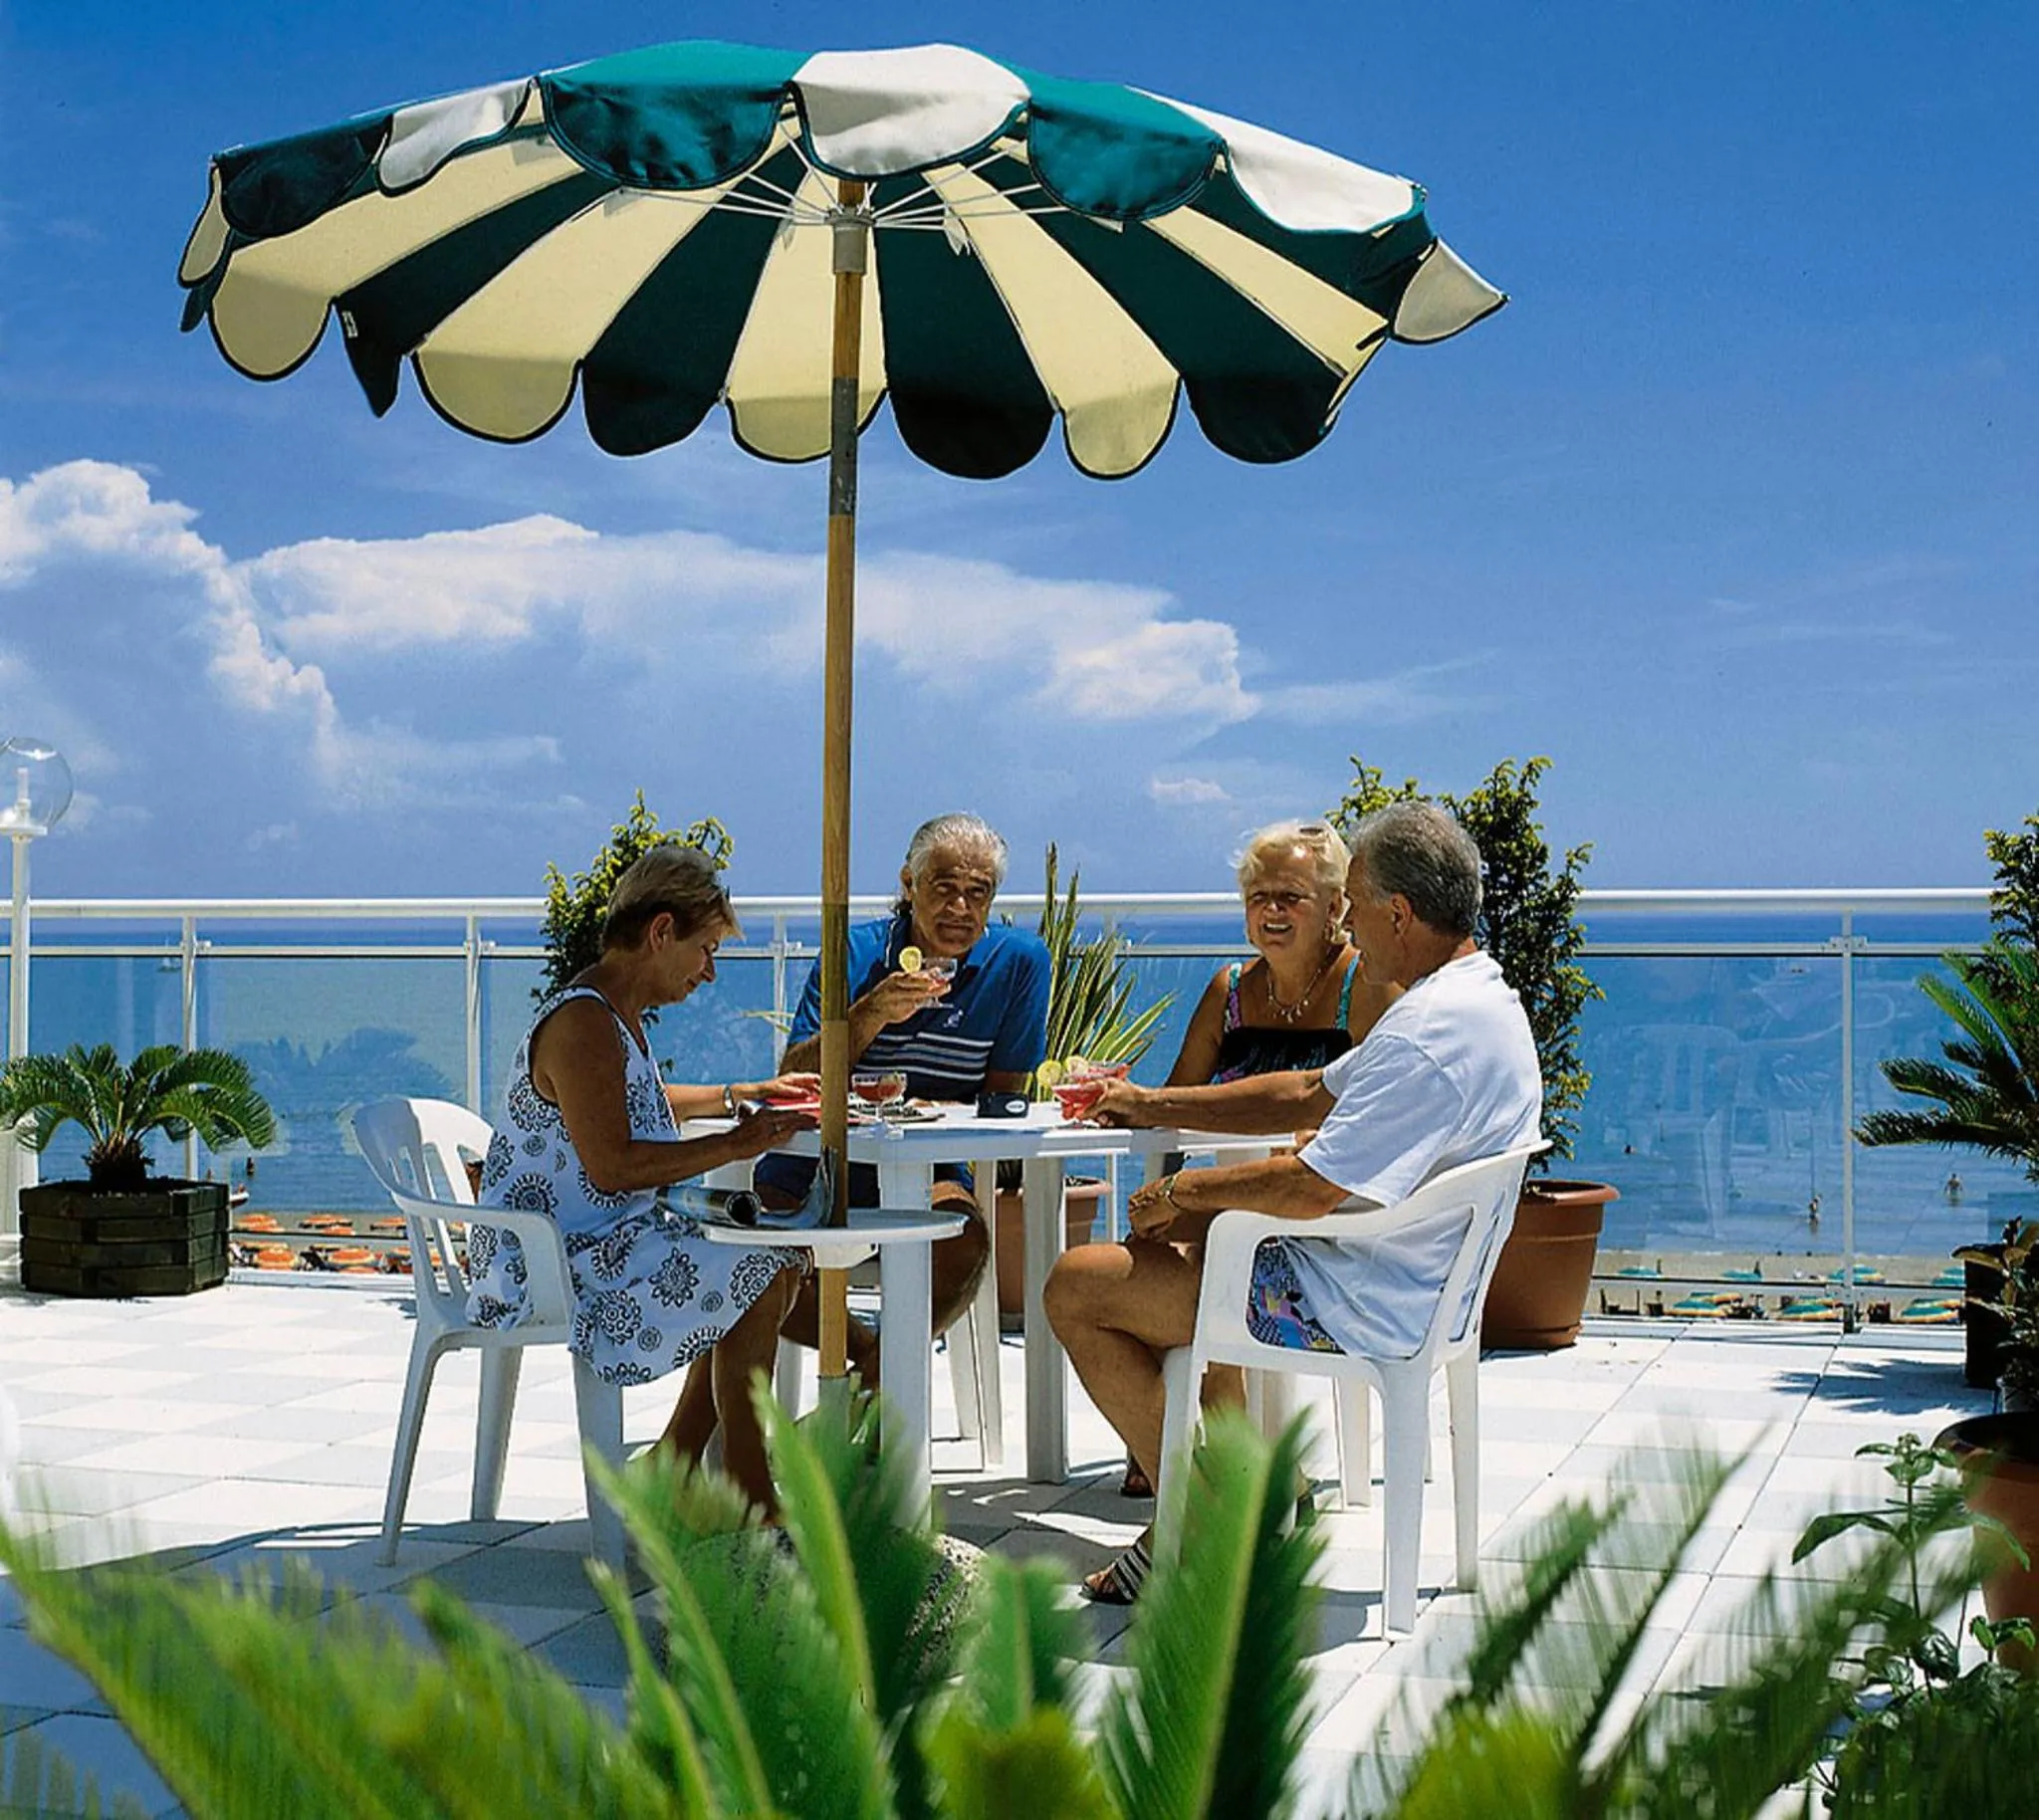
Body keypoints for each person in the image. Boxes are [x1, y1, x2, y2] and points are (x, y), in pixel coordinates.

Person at [1044, 800, 1542, 1602]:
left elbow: (1309, 1189)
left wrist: (1183, 1190)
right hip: (1409, 1281)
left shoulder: (1422, 1034)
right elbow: (1310, 1090)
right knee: (1206, 1240)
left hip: (1357, 1301)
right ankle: (1229, 1491)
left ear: (1398, 912)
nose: (1345, 921)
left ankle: (1200, 1514)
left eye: (1349, 902)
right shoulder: (1476, 1002)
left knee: (1079, 1283)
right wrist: (1152, 1105)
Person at [465, 845, 818, 1516]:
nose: (710, 972)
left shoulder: (609, 1010)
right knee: (761, 1264)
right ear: (661, 933)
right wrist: (736, 1142)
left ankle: (683, 1470)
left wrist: (735, 1093)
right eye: (706, 949)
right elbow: (615, 1164)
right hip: (549, 1263)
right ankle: (743, 1494)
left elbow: (633, 1101)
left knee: (762, 1248)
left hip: (588, 1238)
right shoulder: (583, 1022)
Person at [1116, 817, 1399, 1497]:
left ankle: (1234, 1463)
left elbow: (1379, 1113)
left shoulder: (1366, 987)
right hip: (1230, 1196)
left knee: (1213, 1246)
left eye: (1291, 897)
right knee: (1144, 1250)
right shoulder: (1230, 992)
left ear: (1337, 908)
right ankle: (1178, 1440)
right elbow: (1176, 1103)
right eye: (1259, 897)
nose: (1272, 911)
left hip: (1323, 1207)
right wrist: (1128, 1100)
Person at [757, 812, 1051, 1384]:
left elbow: (1001, 1099)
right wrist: (868, 1015)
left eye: (977, 893)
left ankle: (863, 1397)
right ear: (908, 885)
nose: (960, 910)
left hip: (931, 1162)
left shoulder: (1018, 963)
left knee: (964, 1244)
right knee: (755, 1259)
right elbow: (792, 1074)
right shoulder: (856, 952)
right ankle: (875, 1367)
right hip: (824, 1156)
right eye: (944, 889)